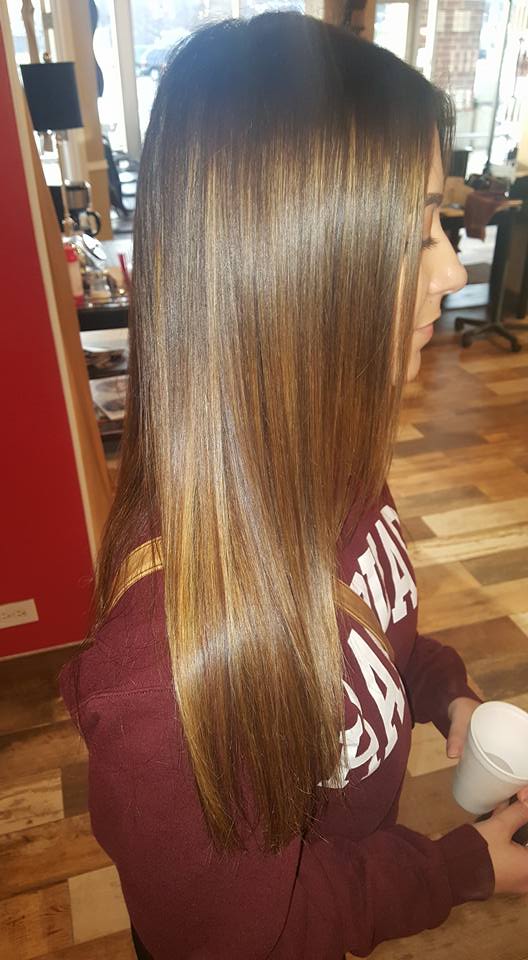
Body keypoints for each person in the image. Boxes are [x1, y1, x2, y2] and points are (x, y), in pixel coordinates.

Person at [60, 12, 528, 959]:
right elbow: (241, 936)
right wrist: (461, 868)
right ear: (289, 271)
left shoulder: (331, 463)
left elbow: (367, 632)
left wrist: (445, 692)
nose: (450, 266)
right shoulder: (167, 671)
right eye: (418, 230)